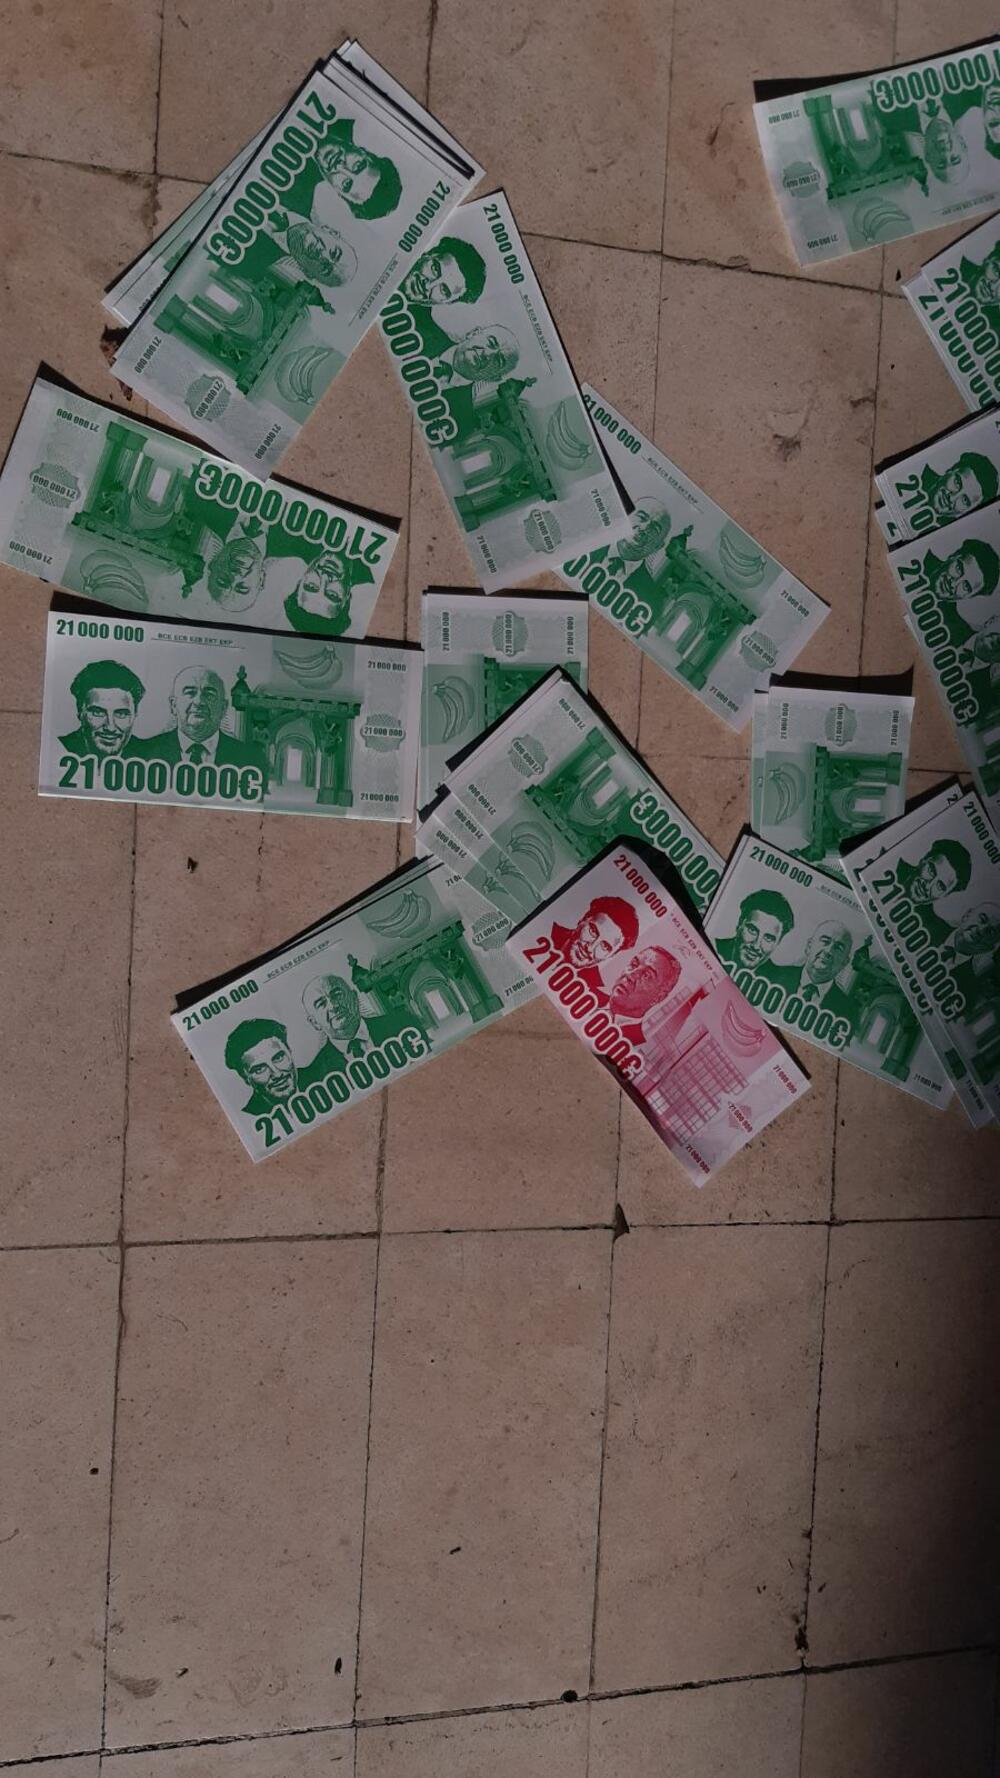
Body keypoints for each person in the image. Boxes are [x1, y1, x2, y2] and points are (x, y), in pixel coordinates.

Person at [139, 665, 267, 773]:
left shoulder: (252, 759)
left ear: (223, 708)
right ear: (173, 705)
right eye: (190, 693)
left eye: (209, 694)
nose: (199, 702)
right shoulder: (144, 753)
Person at [397, 238, 489, 358]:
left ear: (447, 302)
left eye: (444, 290)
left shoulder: (424, 342)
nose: (428, 285)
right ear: (428, 254)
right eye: (435, 269)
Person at [550, 896, 640, 996]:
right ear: (583, 919)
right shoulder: (547, 930)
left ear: (612, 955)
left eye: (605, 946)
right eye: (593, 931)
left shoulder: (595, 996)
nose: (590, 948)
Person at [313, 119, 403, 220]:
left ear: (339, 193)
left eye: (346, 184)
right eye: (357, 166)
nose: (339, 167)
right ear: (366, 153)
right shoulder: (347, 115)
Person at [60, 659, 147, 759]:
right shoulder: (58, 747)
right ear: (80, 712)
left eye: (121, 714)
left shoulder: (150, 754)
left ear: (135, 714)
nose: (110, 728)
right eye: (97, 713)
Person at [895, 837, 972, 945]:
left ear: (946, 895)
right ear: (923, 859)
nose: (928, 886)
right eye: (931, 870)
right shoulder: (890, 863)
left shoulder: (934, 933)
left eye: (940, 886)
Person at [283, 548, 374, 637]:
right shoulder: (375, 572)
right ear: (347, 596)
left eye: (311, 586)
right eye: (332, 595)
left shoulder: (288, 545)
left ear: (300, 581)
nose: (325, 577)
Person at [300, 973, 372, 1083]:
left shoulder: (396, 1021)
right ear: (314, 1023)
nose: (333, 1006)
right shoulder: (315, 1075)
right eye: (321, 1004)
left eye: (337, 995)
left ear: (354, 997)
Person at [605, 944, 682, 1044]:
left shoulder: (637, 1043)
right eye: (633, 964)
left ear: (659, 997)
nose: (630, 975)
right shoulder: (592, 992)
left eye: (646, 975)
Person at [714, 888, 795, 982]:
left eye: (768, 938)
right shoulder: (712, 946)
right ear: (740, 924)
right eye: (752, 930)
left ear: (778, 943)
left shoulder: (778, 980)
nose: (756, 946)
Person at [224, 1018, 301, 1115]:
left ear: (289, 1051)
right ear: (245, 1078)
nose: (277, 1074)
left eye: (279, 1058)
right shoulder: (249, 1116)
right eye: (259, 1069)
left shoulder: (317, 1074)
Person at [781, 920, 854, 1017]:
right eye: (825, 941)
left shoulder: (848, 1011)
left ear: (845, 962)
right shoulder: (775, 975)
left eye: (838, 948)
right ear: (809, 946)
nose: (828, 951)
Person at [918, 452, 999, 524]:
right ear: (951, 469)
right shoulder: (919, 468)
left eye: (965, 500)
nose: (952, 498)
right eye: (957, 483)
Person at [924, 537, 1000, 604]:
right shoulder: (923, 551)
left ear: (970, 597)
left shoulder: (951, 616)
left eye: (966, 586)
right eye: (959, 569)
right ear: (953, 556)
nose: (953, 584)